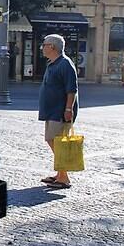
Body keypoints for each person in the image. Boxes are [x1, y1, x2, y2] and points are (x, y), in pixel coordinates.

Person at [38, 34, 79, 190]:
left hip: (60, 111)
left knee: (56, 142)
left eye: (44, 44)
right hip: (52, 110)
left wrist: (68, 109)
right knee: (52, 140)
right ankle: (60, 174)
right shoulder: (53, 63)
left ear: (52, 47)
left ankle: (64, 177)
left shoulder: (65, 64)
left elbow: (71, 89)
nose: (42, 47)